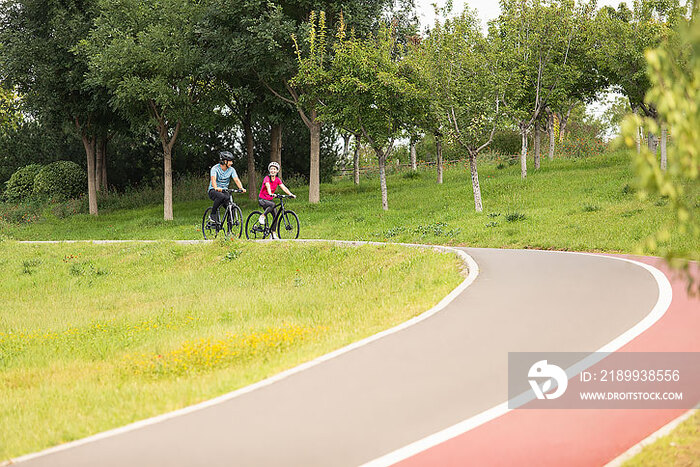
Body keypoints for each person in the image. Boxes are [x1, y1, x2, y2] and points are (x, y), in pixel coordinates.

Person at [257, 161, 295, 239]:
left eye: (274, 169)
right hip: (262, 199)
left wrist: (290, 194)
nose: (273, 171)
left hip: (269, 201)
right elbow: (267, 186)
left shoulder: (277, 179)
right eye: (271, 169)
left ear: (277, 171)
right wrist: (270, 193)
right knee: (273, 205)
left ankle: (273, 233)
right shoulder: (267, 178)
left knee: (276, 215)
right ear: (269, 170)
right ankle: (262, 216)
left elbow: (283, 187)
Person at [208, 151, 246, 224]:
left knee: (230, 208)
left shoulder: (231, 169)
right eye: (230, 161)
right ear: (224, 161)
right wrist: (216, 187)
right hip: (213, 190)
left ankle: (229, 231)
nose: (231, 163)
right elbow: (213, 179)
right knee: (221, 196)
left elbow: (236, 180)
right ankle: (212, 214)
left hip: (224, 190)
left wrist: (241, 188)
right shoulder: (215, 168)